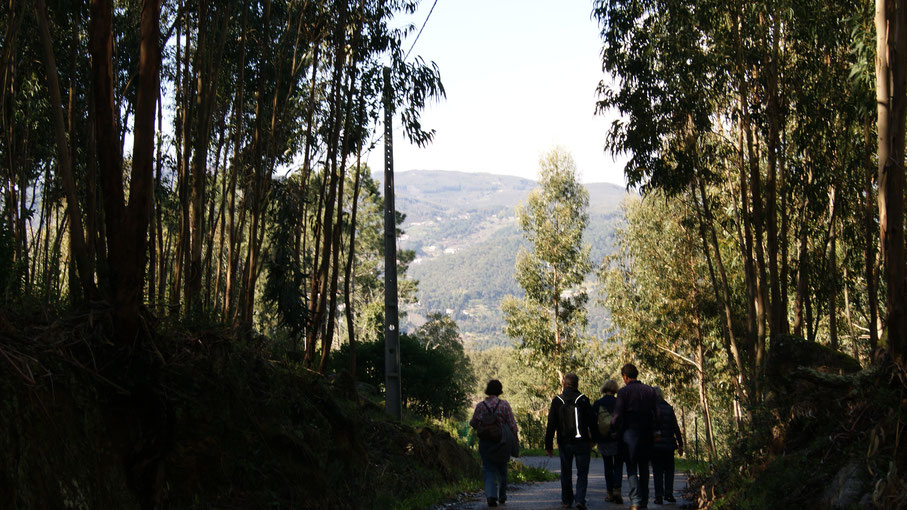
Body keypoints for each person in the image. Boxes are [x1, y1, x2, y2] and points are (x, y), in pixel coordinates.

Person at [611, 363, 659, 510]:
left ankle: (635, 501)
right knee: (644, 467)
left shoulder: (623, 392)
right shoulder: (650, 391)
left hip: (629, 435)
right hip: (646, 435)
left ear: (625, 377)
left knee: (631, 468)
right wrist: (657, 431)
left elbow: (617, 414)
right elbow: (658, 413)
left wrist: (613, 428)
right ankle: (644, 500)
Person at [545, 373, 595, 510]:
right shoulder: (583, 400)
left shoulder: (557, 401)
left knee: (566, 471)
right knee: (582, 472)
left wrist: (548, 444)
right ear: (577, 384)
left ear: (564, 384)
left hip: (564, 442)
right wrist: (594, 440)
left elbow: (551, 425)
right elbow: (592, 422)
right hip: (582, 442)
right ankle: (580, 499)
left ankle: (567, 501)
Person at [469, 379, 519, 508]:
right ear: (499, 391)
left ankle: (491, 496)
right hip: (502, 441)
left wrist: (483, 426)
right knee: (502, 468)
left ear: (488, 390)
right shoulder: (504, 405)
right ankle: (502, 496)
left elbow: (473, 423)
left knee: (488, 468)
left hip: (486, 441)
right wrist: (515, 439)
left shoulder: (481, 406)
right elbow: (512, 424)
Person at [592, 379, 623, 504]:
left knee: (607, 465)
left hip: (603, 438)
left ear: (604, 388)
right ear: (615, 389)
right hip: (618, 438)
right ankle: (617, 490)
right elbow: (623, 421)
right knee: (618, 465)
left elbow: (593, 423)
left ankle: (609, 493)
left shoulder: (598, 403)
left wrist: (594, 438)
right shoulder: (619, 403)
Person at [651, 386, 683, 504]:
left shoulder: (651, 409)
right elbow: (675, 427)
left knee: (657, 471)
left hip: (655, 445)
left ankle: (658, 496)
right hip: (669, 445)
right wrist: (680, 444)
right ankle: (669, 494)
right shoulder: (669, 408)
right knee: (669, 470)